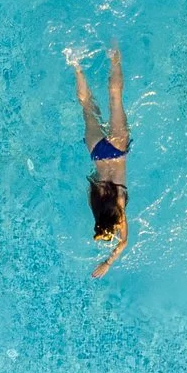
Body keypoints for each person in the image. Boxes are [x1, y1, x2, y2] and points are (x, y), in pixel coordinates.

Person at [72, 46, 130, 277]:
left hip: (117, 148)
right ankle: (75, 64)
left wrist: (108, 262)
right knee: (87, 105)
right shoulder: (95, 200)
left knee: (115, 97)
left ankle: (114, 54)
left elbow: (124, 241)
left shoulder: (119, 204)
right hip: (96, 150)